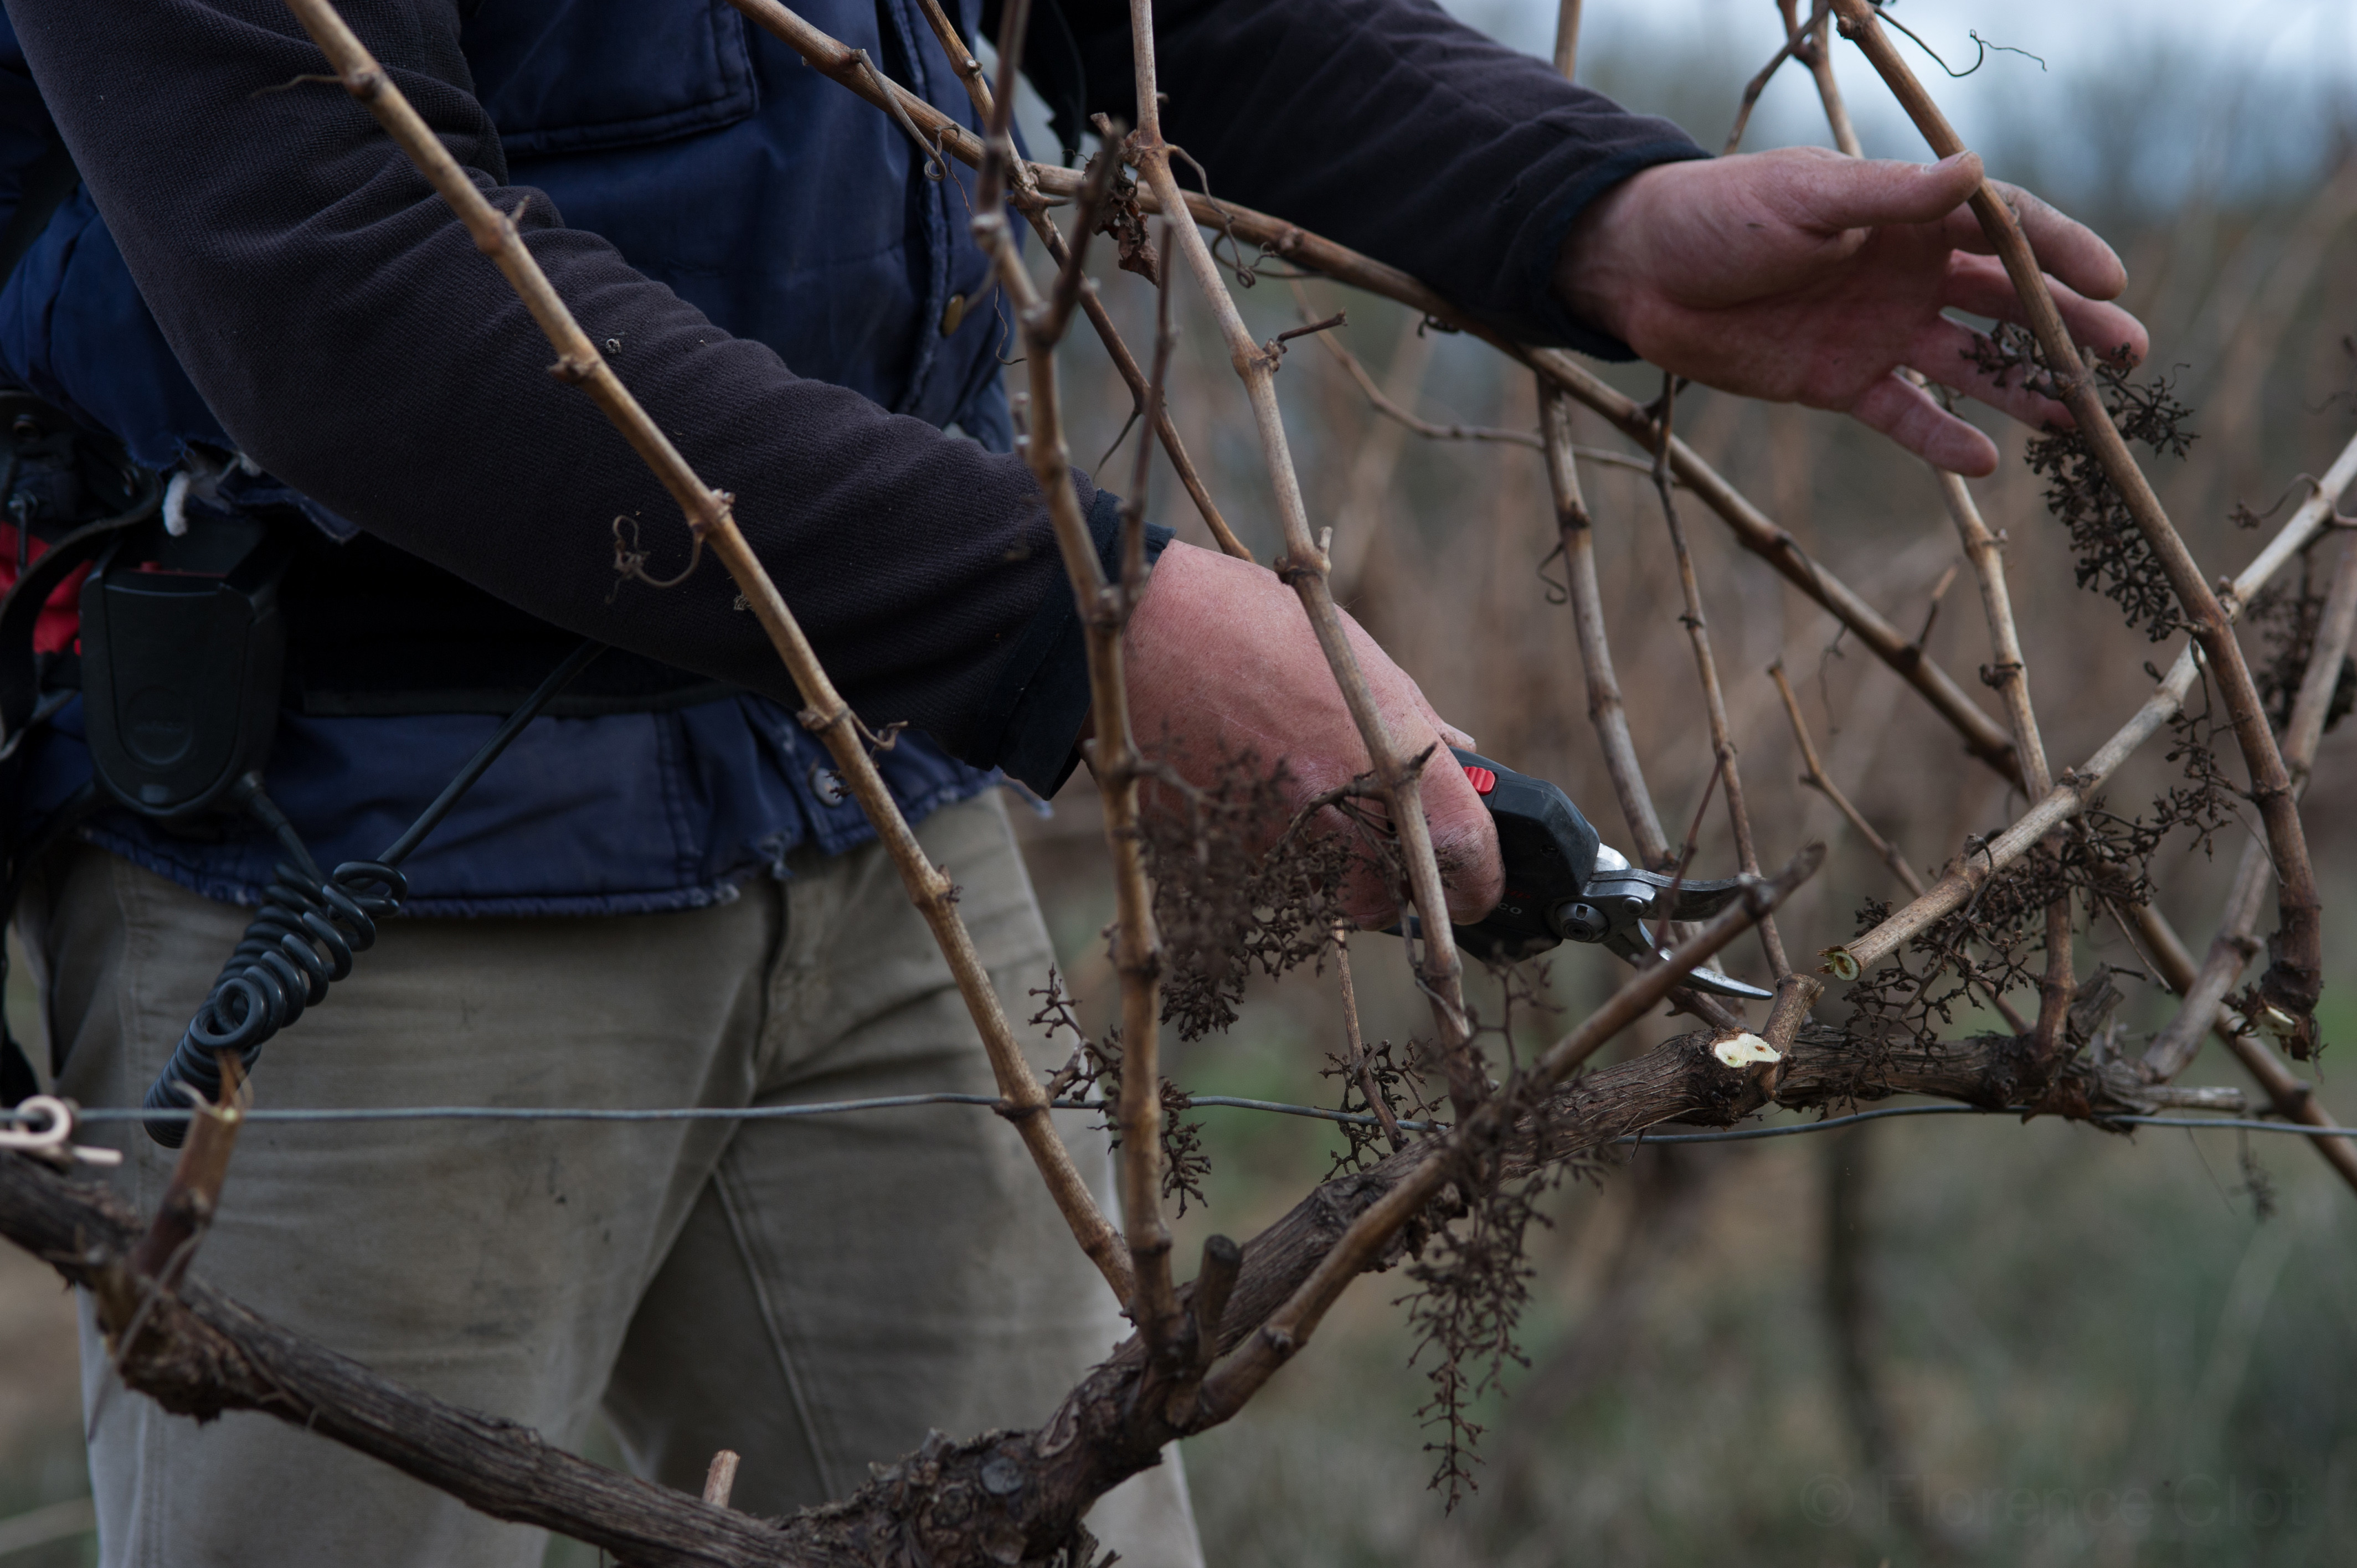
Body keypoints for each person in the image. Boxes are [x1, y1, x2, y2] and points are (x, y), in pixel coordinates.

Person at [0, 0, 2144, 1563]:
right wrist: (1087, 624)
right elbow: (342, 271)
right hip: (362, 848)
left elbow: (1166, 9)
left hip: (877, 812)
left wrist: (1589, 204)